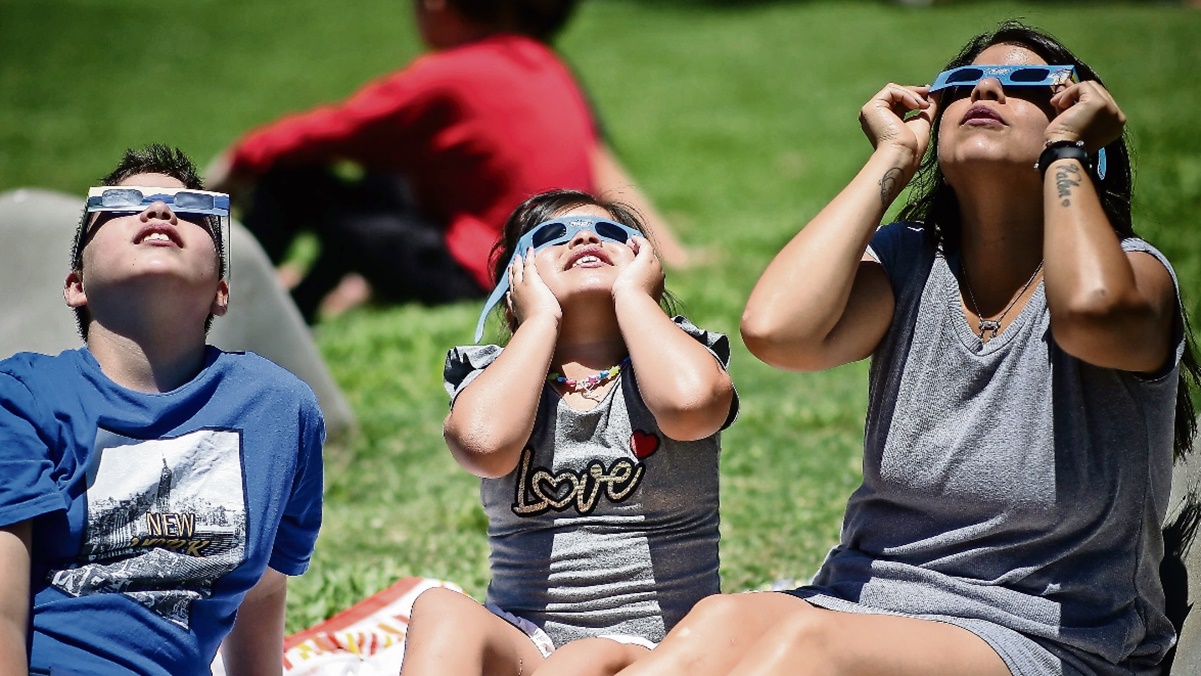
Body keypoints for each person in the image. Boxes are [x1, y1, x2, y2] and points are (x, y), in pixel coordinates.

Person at [615, 21, 1201, 676]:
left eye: (1025, 85)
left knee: (804, 651)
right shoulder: (907, 266)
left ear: (1078, 117)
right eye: (961, 83)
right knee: (718, 622)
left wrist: (1066, 153)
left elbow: (1089, 312)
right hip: (864, 598)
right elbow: (777, 331)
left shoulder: (1133, 276)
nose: (984, 88)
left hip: (1049, 633)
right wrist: (892, 158)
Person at [0, 144, 325, 675]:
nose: (158, 212)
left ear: (223, 290)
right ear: (75, 284)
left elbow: (261, 593)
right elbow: (2, 616)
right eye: (123, 204)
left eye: (194, 212)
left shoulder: (280, 410)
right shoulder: (22, 397)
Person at [399, 189, 736, 676]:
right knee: (438, 607)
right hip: (526, 640)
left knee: (584, 657)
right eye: (552, 235)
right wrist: (540, 321)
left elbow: (691, 407)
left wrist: (635, 299)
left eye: (614, 234)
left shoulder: (674, 358)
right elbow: (485, 446)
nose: (584, 236)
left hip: (662, 644)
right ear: (514, 284)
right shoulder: (496, 376)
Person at [209, 0, 691, 323]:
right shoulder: (541, 60)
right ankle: (294, 300)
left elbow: (332, 130)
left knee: (295, 180)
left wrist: (238, 159)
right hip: (533, 255)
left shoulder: (447, 77)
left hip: (485, 270)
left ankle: (240, 301)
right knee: (382, 181)